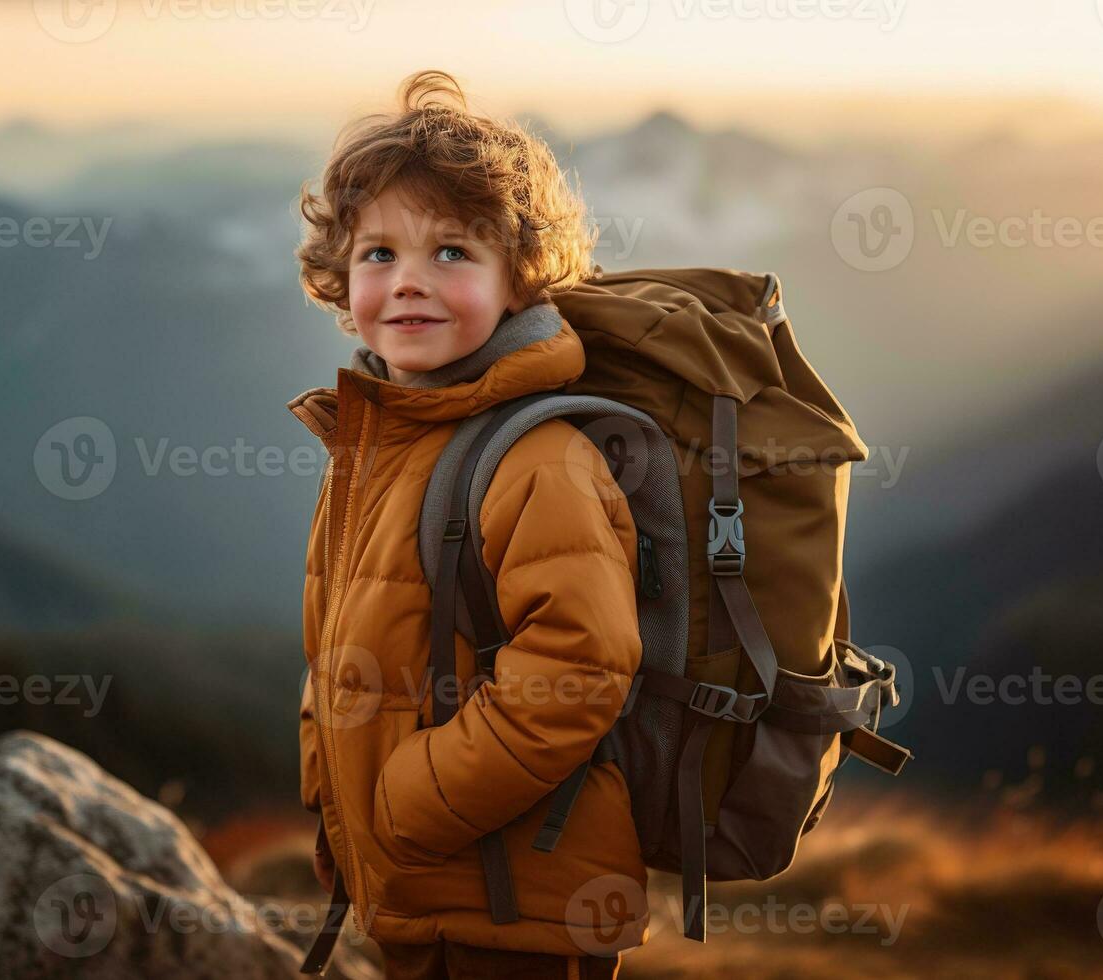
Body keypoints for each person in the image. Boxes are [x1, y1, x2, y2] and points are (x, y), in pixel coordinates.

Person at [287, 68, 649, 980]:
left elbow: (581, 665)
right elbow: (345, 639)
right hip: (428, 891)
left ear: (519, 278)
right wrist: (336, 793)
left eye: (452, 253)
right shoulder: (382, 442)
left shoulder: (538, 460)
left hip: (512, 910)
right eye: (378, 255)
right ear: (340, 278)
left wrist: (405, 804)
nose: (408, 284)